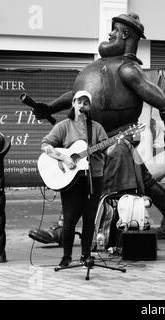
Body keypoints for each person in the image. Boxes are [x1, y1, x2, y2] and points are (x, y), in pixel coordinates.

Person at [29, 13, 165, 243]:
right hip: (94, 135)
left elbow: (162, 102)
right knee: (140, 178)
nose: (110, 34)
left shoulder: (127, 69)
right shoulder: (106, 66)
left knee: (84, 178)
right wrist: (50, 107)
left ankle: (66, 229)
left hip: (117, 136)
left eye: (115, 30)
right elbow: (79, 95)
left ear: (125, 34)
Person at [41, 91, 108, 267]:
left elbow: (107, 149)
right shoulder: (63, 126)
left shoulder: (97, 128)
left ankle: (86, 256)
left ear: (89, 107)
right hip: (70, 180)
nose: (82, 106)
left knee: (89, 218)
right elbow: (45, 145)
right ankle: (66, 256)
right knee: (70, 219)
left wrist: (104, 148)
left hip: (94, 177)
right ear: (73, 103)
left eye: (86, 103)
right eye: (79, 102)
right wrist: (64, 158)